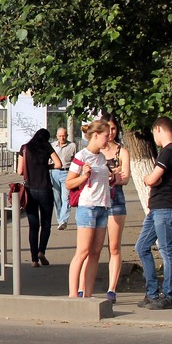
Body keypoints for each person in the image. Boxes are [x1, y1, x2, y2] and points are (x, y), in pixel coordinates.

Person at [66, 119, 112, 298]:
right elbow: (69, 183)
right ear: (96, 135)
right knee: (83, 251)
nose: (108, 140)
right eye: (106, 136)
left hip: (103, 207)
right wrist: (85, 176)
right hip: (87, 207)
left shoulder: (101, 157)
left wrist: (112, 179)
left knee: (95, 253)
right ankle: (72, 295)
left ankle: (88, 294)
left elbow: (102, 180)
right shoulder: (82, 156)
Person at [134, 116, 172, 310]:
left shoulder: (168, 151)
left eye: (153, 132)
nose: (154, 137)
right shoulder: (166, 152)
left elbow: (152, 179)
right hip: (156, 208)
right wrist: (152, 179)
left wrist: (147, 178)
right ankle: (152, 293)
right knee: (141, 246)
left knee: (167, 251)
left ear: (159, 128)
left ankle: (169, 294)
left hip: (165, 208)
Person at [91, 119, 131, 303]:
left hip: (115, 200)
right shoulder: (95, 152)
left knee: (114, 246)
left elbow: (125, 178)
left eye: (114, 128)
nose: (111, 132)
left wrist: (114, 177)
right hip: (97, 200)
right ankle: (84, 287)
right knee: (93, 248)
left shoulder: (121, 151)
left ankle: (112, 289)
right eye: (108, 129)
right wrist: (112, 175)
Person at [16, 128, 62, 267]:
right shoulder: (47, 146)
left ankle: (34, 259)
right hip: (45, 190)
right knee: (46, 223)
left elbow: (19, 171)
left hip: (30, 190)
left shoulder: (24, 148)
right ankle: (41, 251)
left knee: (33, 225)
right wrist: (46, 167)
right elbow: (59, 164)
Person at [51, 127, 77, 229]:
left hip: (67, 172)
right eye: (60, 136)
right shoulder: (52, 146)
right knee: (57, 199)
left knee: (66, 198)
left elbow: (75, 160)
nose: (62, 138)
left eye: (64, 136)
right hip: (54, 173)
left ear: (67, 136)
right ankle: (59, 219)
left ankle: (63, 221)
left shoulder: (72, 146)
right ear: (57, 136)